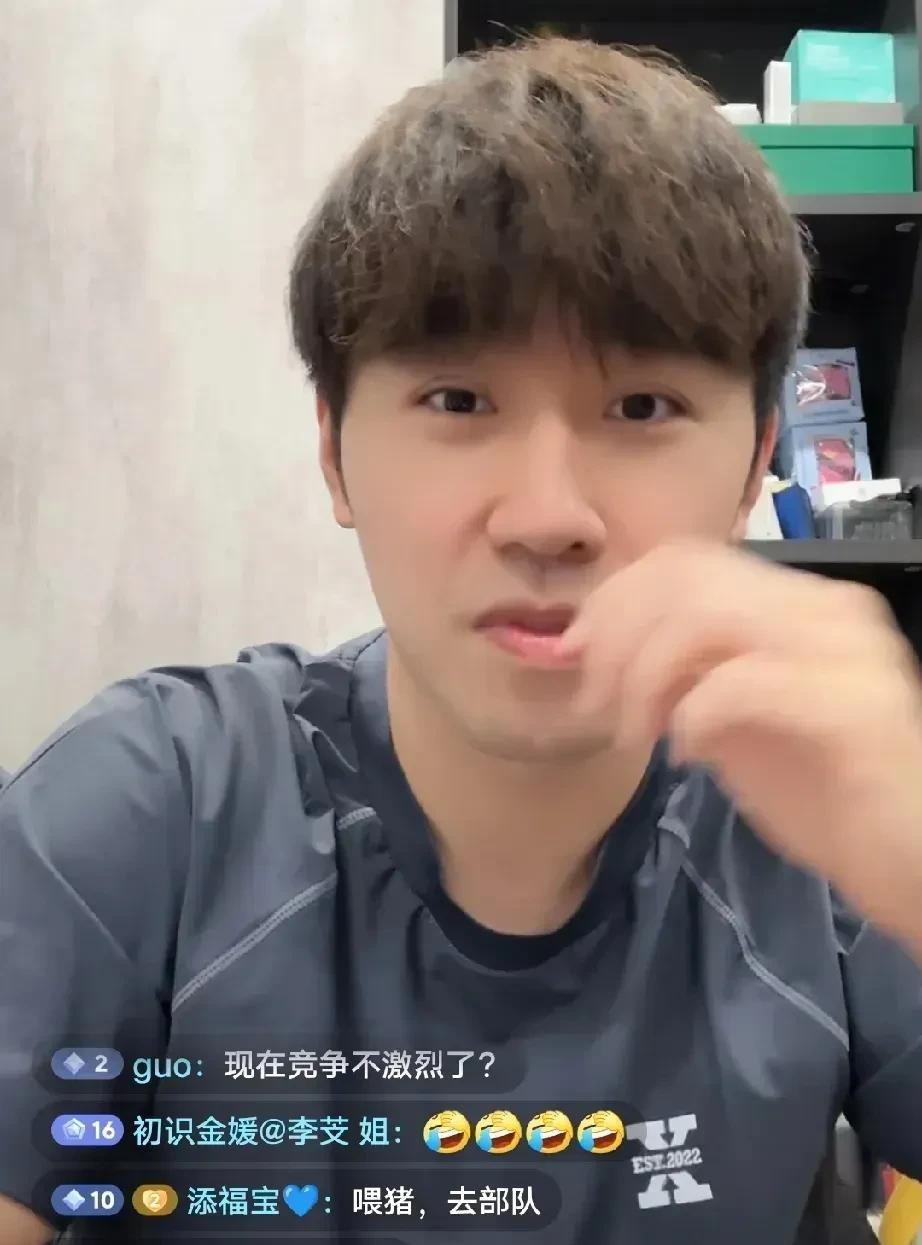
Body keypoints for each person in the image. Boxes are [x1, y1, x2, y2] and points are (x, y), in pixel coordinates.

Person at [2, 35, 921, 1245]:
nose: (547, 516)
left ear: (755, 466)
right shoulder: (150, 807)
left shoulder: (828, 832)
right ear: (334, 453)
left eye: (641, 406)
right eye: (457, 401)